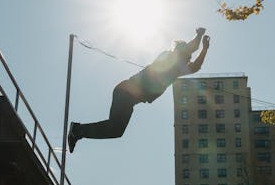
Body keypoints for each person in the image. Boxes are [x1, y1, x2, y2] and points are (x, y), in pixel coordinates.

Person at [68, 28, 210, 152]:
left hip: (129, 100)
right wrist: (199, 35)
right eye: (186, 58)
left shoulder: (175, 71)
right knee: (115, 128)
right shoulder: (166, 57)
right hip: (125, 92)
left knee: (116, 130)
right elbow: (188, 49)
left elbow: (195, 67)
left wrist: (204, 49)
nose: (187, 62)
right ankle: (77, 130)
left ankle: (78, 131)